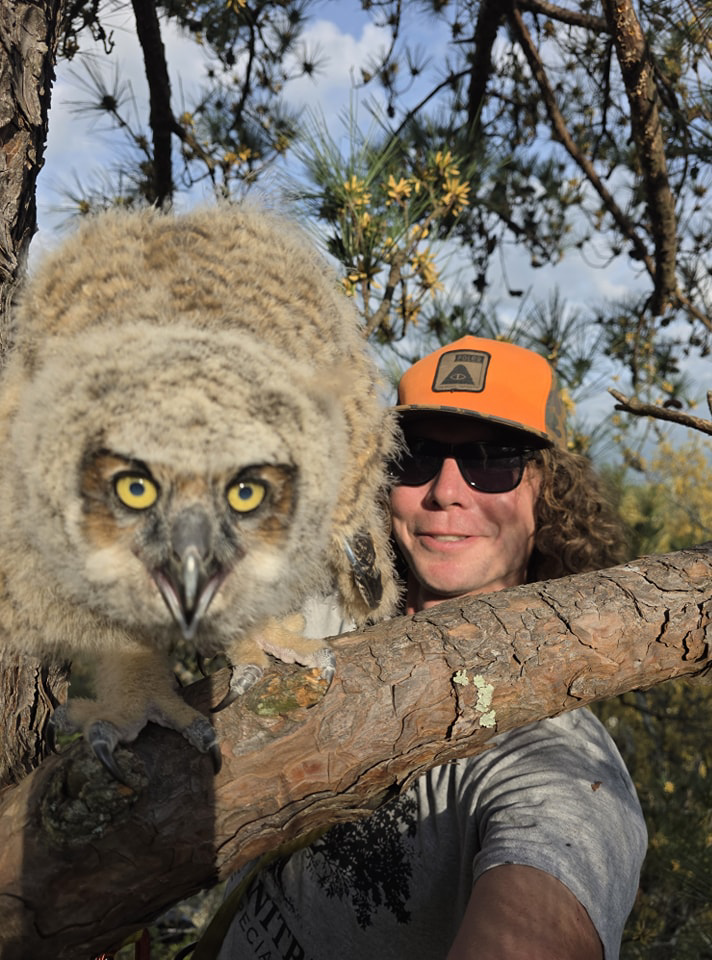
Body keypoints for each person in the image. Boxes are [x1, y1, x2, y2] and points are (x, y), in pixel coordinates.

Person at [217, 335, 647, 960]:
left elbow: (555, 864)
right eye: (414, 456)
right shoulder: (329, 613)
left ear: (549, 494)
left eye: (493, 459)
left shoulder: (558, 761)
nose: (447, 490)